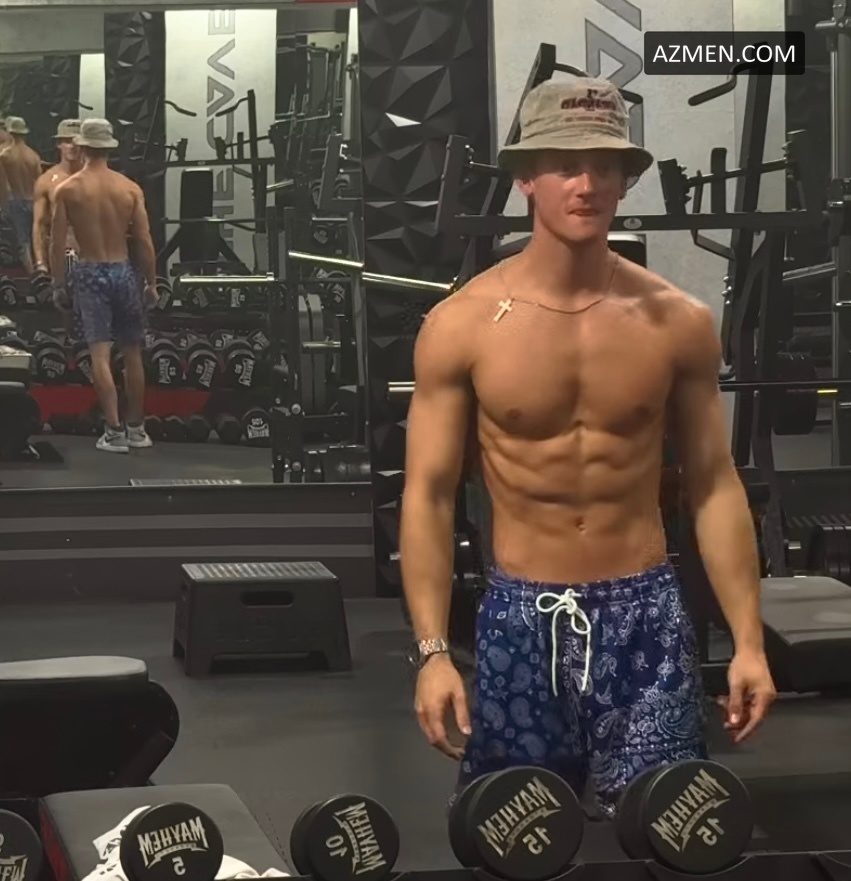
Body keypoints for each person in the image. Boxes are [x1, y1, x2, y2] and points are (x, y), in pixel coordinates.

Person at [400, 78, 777, 817]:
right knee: (513, 838)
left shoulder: (677, 321)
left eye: (606, 166)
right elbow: (429, 496)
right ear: (526, 178)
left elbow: (712, 482)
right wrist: (432, 651)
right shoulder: (461, 324)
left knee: (672, 833)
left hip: (645, 616)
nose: (587, 184)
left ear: (625, 179)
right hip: (520, 618)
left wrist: (748, 641)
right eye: (566, 165)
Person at [50, 118, 157, 454]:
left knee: (100, 353)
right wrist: (152, 283)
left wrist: (57, 284)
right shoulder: (130, 188)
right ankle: (136, 429)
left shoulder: (68, 189)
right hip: (123, 271)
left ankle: (114, 432)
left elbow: (56, 243)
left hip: (90, 272)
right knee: (132, 352)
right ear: (109, 148)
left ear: (81, 147)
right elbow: (144, 240)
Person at [33, 119, 83, 276]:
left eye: (77, 141)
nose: (72, 146)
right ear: (59, 144)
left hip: (92, 257)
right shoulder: (46, 181)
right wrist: (41, 263)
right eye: (67, 141)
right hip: (59, 255)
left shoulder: (96, 179)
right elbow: (39, 224)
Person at [0, 117, 42, 274]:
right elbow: (40, 183)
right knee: (35, 239)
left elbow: (2, 184)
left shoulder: (4, 155)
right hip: (33, 200)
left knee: (23, 241)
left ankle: (32, 275)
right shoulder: (34, 156)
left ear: (10, 132)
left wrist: (3, 206)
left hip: (15, 200)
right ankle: (40, 269)